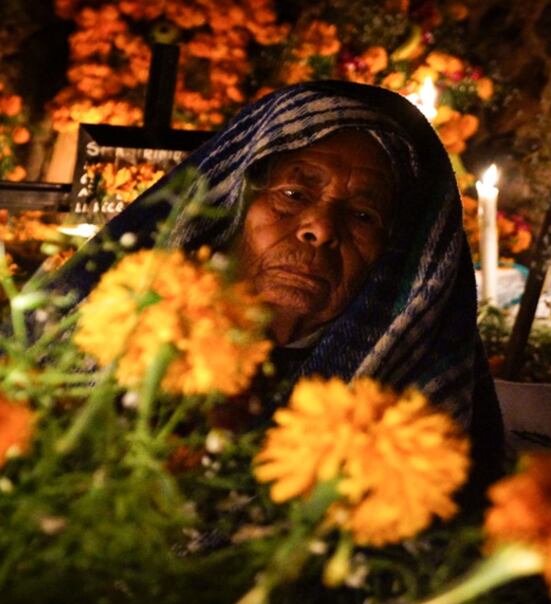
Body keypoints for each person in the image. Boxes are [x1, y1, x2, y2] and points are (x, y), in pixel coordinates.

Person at [49, 80, 504, 495]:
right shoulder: (131, 335)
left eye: (363, 215)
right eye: (294, 195)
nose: (321, 228)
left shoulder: (404, 413)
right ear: (235, 206)